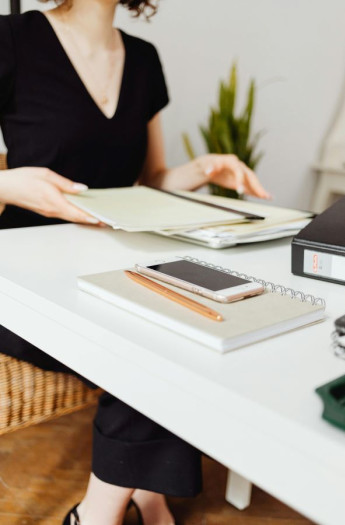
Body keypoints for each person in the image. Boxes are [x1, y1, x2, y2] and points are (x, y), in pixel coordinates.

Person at [0, 1, 270, 524]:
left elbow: (146, 182)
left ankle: (113, 503)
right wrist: (8, 184)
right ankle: (134, 500)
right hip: (20, 277)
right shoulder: (12, 38)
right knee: (149, 336)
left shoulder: (143, 59)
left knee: (190, 322)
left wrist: (201, 168)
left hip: (109, 265)